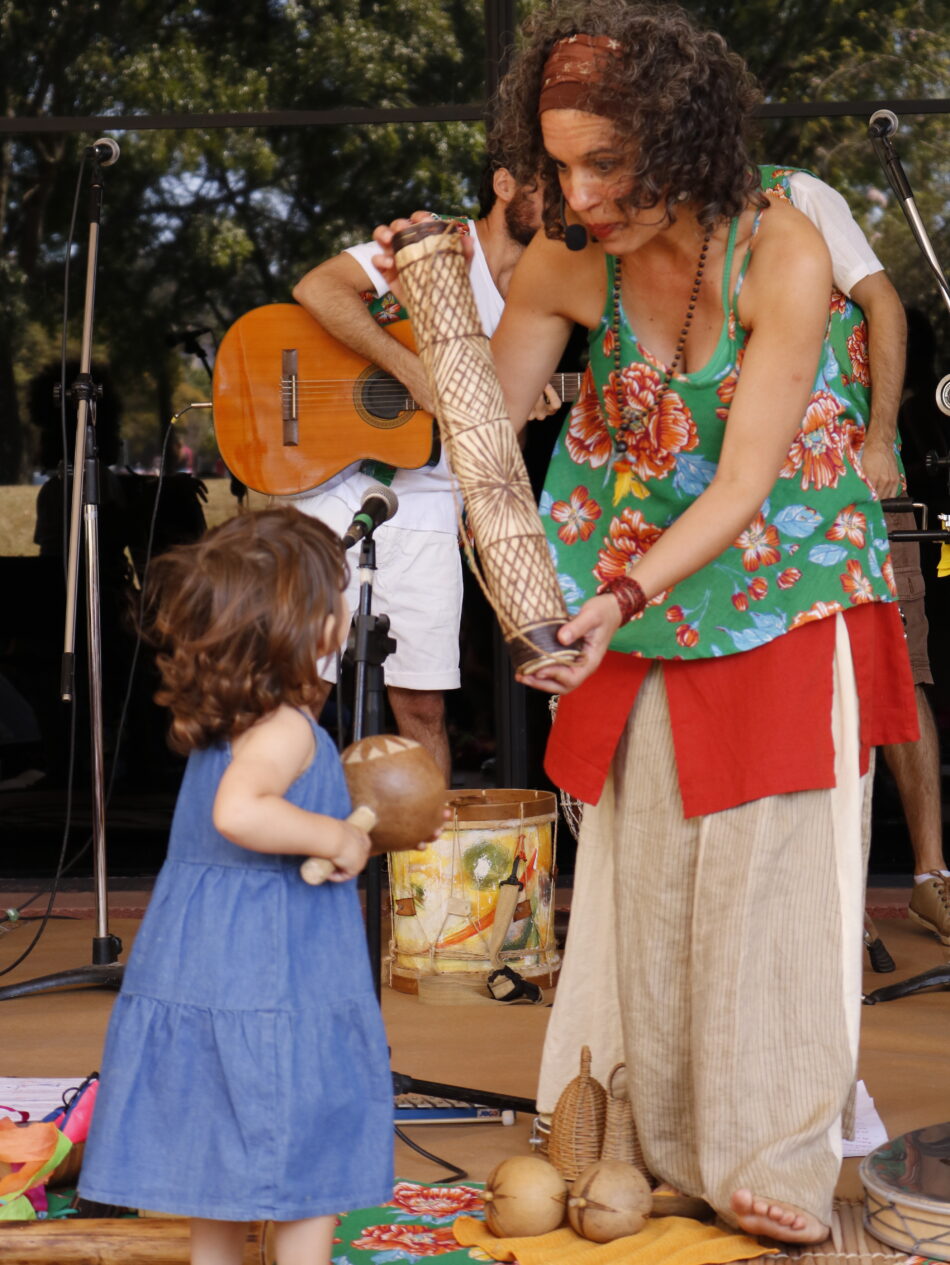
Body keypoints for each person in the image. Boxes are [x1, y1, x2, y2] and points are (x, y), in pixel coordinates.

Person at [370, 1, 919, 1243]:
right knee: (645, 879)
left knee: (773, 881)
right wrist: (444, 305)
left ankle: (769, 1147)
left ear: (680, 141)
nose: (581, 190)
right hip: (630, 597)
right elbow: (487, 435)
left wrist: (614, 597)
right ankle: (648, 1137)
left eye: (605, 162)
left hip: (780, 585)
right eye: (558, 163)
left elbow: (739, 483)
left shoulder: (777, 246)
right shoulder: (569, 254)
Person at [78, 507, 398, 1265]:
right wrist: (335, 834)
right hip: (274, 975)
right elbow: (239, 811)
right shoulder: (285, 727)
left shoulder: (229, 721)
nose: (345, 608)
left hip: (208, 962)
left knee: (218, 1156)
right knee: (309, 1141)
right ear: (302, 622)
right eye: (337, 593)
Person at [288, 159, 551, 781]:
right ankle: (288, 864)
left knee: (423, 705)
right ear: (505, 184)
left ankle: (427, 877)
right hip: (338, 484)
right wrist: (410, 371)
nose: (566, 203)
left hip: (432, 503)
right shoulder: (432, 246)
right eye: (549, 186)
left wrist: (514, 406)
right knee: (303, 693)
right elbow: (316, 289)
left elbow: (489, 428)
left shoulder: (549, 289)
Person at [760, 168, 949, 945]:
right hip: (755, 496)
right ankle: (805, 886)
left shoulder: (801, 195)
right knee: (779, 674)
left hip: (853, 476)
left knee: (897, 672)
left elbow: (884, 305)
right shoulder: (673, 227)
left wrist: (877, 440)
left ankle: (932, 877)